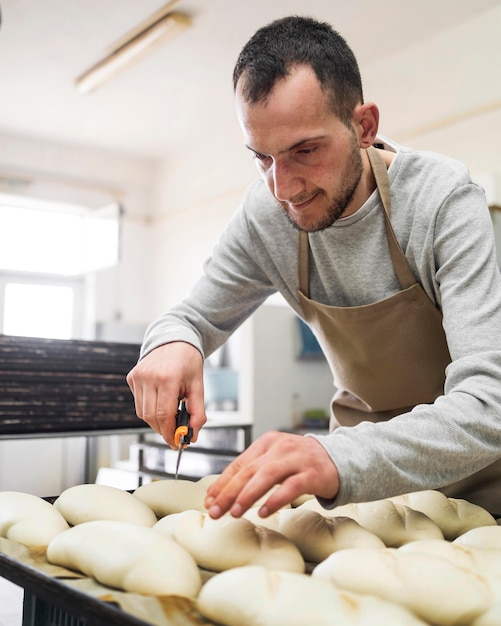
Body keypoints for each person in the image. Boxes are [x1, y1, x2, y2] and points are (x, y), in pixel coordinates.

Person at [127, 15, 501, 520]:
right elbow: (191, 318)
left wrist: (334, 456)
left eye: (305, 151)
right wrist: (172, 343)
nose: (285, 188)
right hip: (364, 502)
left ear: (363, 126)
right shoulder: (266, 214)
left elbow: (489, 404)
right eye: (262, 157)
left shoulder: (442, 202)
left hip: (484, 495)